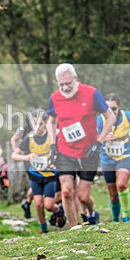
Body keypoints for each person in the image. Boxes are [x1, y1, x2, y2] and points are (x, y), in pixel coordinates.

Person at [46, 64, 114, 227]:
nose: (65, 88)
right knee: (67, 191)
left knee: (83, 197)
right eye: (61, 84)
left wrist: (99, 142)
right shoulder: (54, 98)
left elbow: (110, 117)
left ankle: (91, 213)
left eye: (68, 83)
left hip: (88, 151)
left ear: (75, 79)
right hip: (65, 151)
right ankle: (74, 228)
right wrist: (53, 146)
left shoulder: (92, 93)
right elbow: (51, 122)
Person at [12, 110, 63, 234]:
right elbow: (14, 155)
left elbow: (62, 151)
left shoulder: (52, 136)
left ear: (45, 123)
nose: (37, 128)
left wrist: (55, 159)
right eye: (34, 125)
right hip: (35, 175)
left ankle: (58, 211)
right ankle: (43, 229)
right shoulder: (29, 138)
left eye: (40, 124)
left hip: (50, 175)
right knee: (38, 203)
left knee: (49, 205)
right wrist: (27, 157)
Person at [97, 94, 130, 222]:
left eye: (114, 108)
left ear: (119, 108)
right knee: (113, 195)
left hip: (125, 156)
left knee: (121, 185)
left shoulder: (128, 116)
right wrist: (103, 138)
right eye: (108, 109)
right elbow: (94, 136)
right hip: (107, 158)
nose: (111, 112)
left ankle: (126, 216)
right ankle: (115, 220)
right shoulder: (100, 119)